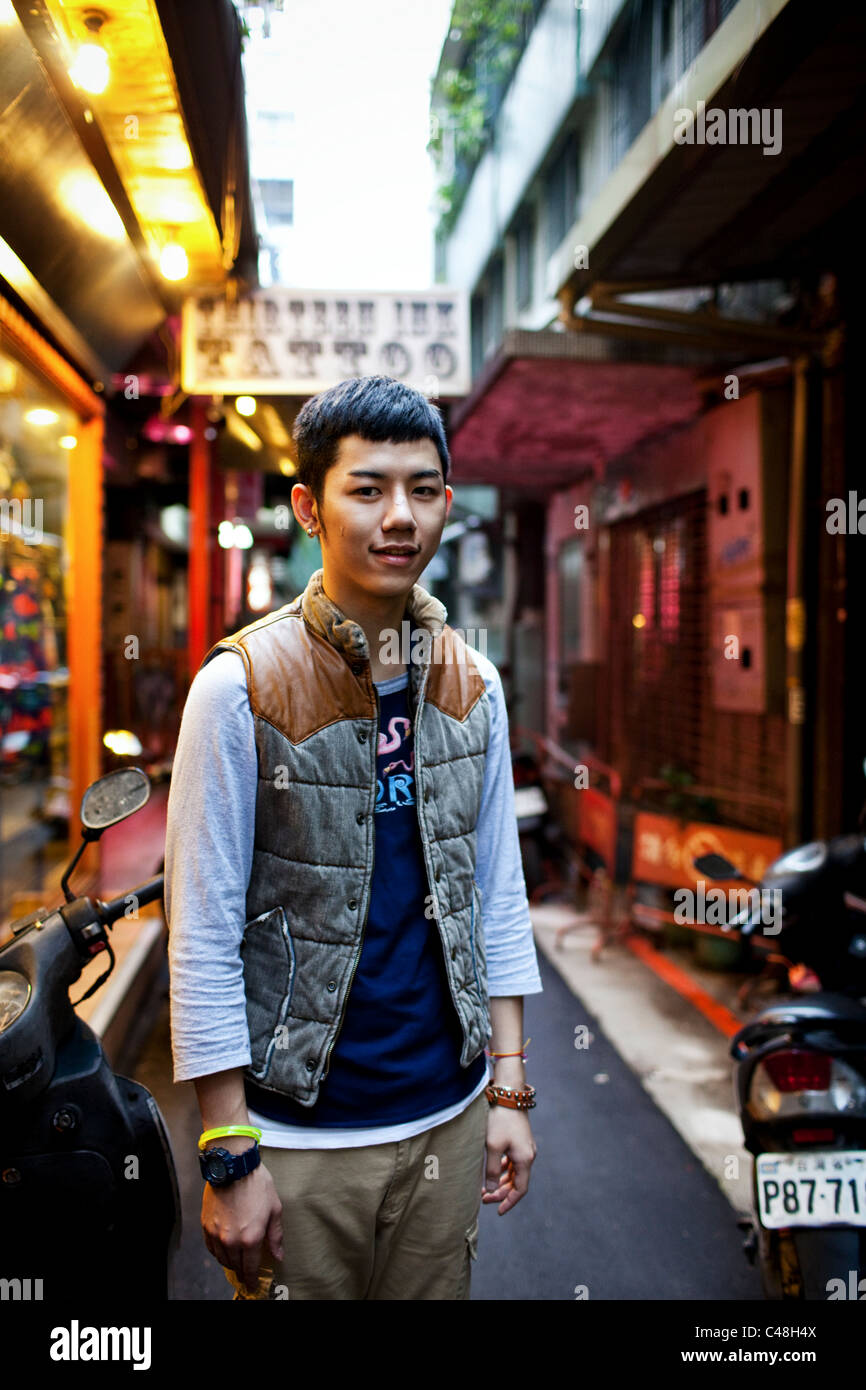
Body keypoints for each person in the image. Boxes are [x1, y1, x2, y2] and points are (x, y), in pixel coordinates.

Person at [165, 375, 543, 1301]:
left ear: (447, 504)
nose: (398, 517)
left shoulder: (473, 686)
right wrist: (227, 1154)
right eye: (367, 489)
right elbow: (202, 934)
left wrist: (507, 1089)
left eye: (421, 490)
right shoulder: (240, 688)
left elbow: (494, 895)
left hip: (446, 1119)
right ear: (308, 508)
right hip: (298, 1139)